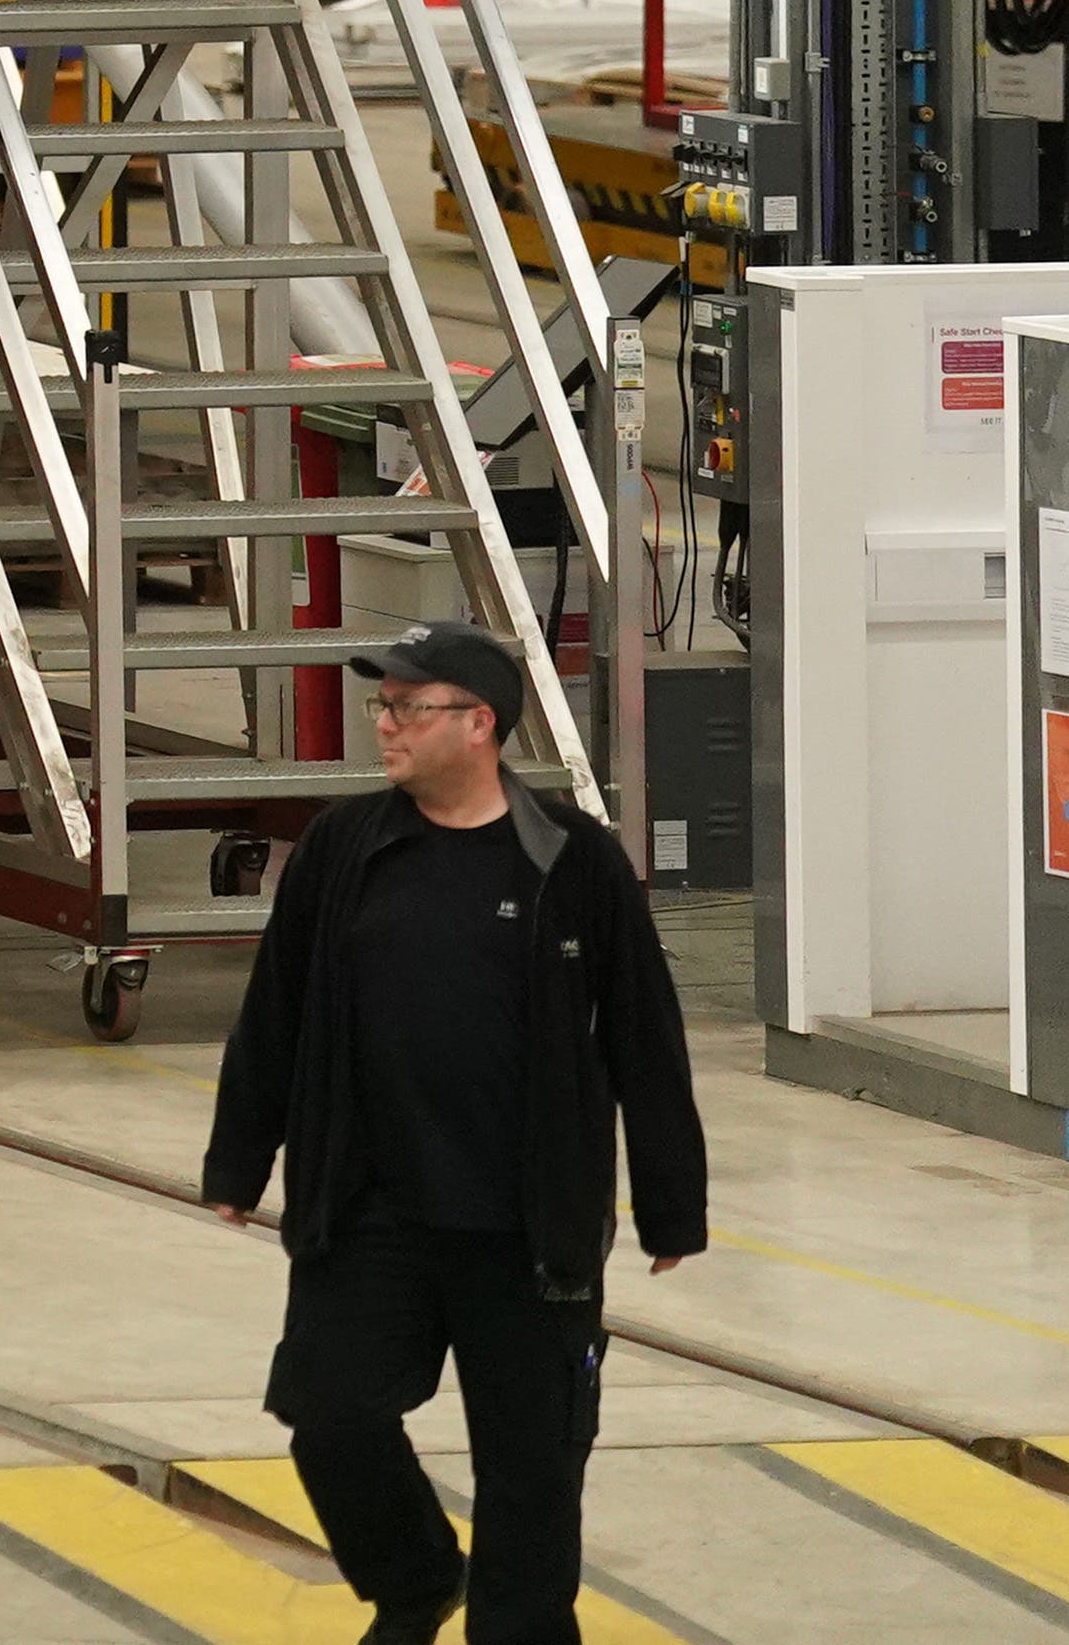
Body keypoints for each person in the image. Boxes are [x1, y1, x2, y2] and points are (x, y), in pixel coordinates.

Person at [204, 620, 707, 1645]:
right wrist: (238, 1159)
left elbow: (645, 1031)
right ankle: (418, 1575)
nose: (382, 723)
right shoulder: (345, 847)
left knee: (531, 1466)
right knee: (330, 1413)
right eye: (381, 704)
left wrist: (670, 1200)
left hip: (527, 1226)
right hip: (370, 1204)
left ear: (479, 724)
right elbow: (278, 1011)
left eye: (405, 706)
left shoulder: (573, 857)